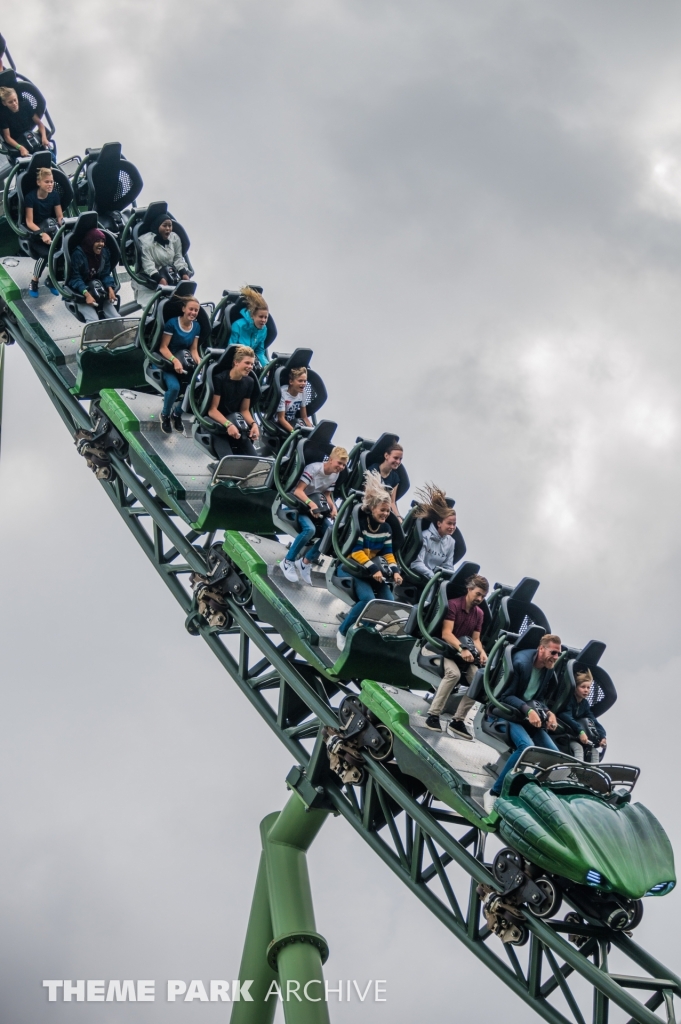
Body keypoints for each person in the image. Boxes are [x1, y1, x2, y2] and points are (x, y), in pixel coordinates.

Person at [485, 634, 563, 810]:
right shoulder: (521, 663)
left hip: (526, 716)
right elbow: (504, 696)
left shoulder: (548, 669)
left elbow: (539, 698)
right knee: (526, 747)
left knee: (553, 755)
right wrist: (527, 710)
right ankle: (494, 793)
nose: (556, 657)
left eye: (558, 654)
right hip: (506, 712)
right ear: (541, 649)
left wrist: (549, 714)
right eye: (553, 652)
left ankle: (527, 792)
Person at [336, 471, 403, 651]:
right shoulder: (363, 524)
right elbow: (356, 551)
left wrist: (395, 571)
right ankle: (342, 632)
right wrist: (374, 568)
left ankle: (363, 631)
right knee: (368, 600)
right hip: (353, 567)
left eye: (388, 511)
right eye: (382, 510)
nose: (385, 513)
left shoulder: (387, 528)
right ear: (373, 508)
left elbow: (388, 552)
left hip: (370, 572)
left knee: (387, 603)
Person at [423, 575, 489, 737]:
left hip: (459, 654)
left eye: (483, 596)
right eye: (478, 594)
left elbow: (475, 639)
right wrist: (462, 649)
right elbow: (446, 634)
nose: (480, 599)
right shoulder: (453, 605)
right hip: (439, 649)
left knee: (479, 681)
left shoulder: (479, 613)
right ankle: (433, 715)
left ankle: (458, 721)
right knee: (454, 673)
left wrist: (482, 652)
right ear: (469, 590)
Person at [280, 447, 349, 584]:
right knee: (310, 529)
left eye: (344, 465)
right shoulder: (314, 469)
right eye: (339, 463)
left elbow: (327, 495)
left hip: (313, 506)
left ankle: (305, 562)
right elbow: (298, 491)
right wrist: (311, 505)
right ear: (330, 460)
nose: (341, 467)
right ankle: (288, 561)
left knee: (330, 533)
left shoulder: (335, 474)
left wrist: (333, 507)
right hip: (297, 504)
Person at [157, 296, 201, 434]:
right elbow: (163, 347)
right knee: (174, 388)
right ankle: (165, 415)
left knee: (194, 388)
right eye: (191, 309)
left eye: (196, 310)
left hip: (185, 362)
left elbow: (194, 349)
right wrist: (174, 360)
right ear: (183, 309)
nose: (193, 313)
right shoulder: (172, 323)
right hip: (169, 362)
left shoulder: (196, 327)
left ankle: (177, 414)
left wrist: (200, 363)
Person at [208, 345, 260, 459]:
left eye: (252, 364)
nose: (250, 367)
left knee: (254, 459)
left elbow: (244, 410)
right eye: (247, 363)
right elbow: (212, 410)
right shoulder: (219, 379)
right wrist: (228, 425)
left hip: (235, 421)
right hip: (218, 422)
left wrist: (254, 424)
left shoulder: (249, 382)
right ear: (236, 362)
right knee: (228, 461)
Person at [134, 212, 191, 306]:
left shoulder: (174, 238)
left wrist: (184, 274)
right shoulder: (146, 242)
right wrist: (159, 279)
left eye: (170, 225)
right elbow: (147, 264)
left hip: (169, 276)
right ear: (157, 226)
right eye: (164, 226)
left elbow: (178, 258)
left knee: (183, 304)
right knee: (156, 306)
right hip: (148, 280)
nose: (168, 228)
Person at [24, 166, 63, 297]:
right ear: (39, 182)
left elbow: (59, 216)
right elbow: (29, 222)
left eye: (51, 182)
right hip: (35, 233)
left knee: (61, 251)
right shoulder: (31, 197)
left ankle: (51, 281)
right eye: (47, 182)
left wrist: (63, 225)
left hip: (50, 229)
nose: (50, 184)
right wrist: (41, 233)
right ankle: (34, 282)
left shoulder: (54, 195)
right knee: (46, 255)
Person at [67, 227, 121, 322]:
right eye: (97, 241)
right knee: (93, 320)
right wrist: (86, 294)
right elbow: (75, 278)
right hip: (80, 293)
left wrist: (110, 288)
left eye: (102, 241)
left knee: (116, 318)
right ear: (90, 242)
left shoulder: (104, 253)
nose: (101, 244)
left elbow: (105, 273)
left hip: (98, 290)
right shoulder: (78, 255)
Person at [558, 667, 607, 763]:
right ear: (575, 687)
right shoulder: (569, 700)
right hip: (566, 735)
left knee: (594, 751)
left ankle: (593, 774)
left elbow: (592, 719)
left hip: (578, 737)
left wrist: (602, 736)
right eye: (583, 687)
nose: (586, 690)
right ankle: (577, 773)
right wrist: (580, 731)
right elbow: (566, 716)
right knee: (578, 748)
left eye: (588, 688)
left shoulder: (584, 704)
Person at [411, 483, 459, 579]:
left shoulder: (451, 542)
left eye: (454, 524)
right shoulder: (425, 536)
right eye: (449, 523)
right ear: (439, 523)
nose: (452, 527)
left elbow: (448, 566)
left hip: (434, 579)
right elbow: (416, 563)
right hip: (421, 576)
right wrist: (432, 575)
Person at [0, 85, 50, 159]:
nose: (14, 103)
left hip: (31, 135)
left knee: (50, 155)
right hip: (17, 141)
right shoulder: (3, 115)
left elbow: (40, 124)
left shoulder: (25, 105)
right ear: (4, 103)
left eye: (15, 100)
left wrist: (44, 138)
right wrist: (20, 148)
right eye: (10, 102)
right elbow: (7, 137)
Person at [228, 287, 270, 366]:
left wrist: (267, 366)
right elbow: (231, 348)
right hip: (237, 361)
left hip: (250, 361)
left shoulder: (264, 329)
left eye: (266, 317)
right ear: (252, 315)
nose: (263, 320)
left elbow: (260, 351)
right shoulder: (238, 325)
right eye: (261, 317)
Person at [370, 442, 404, 520]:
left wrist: (398, 517)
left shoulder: (395, 478)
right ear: (386, 456)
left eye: (400, 459)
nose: (398, 462)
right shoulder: (374, 470)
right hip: (371, 507)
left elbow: (392, 502)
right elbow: (371, 495)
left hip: (383, 510)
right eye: (395, 458)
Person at [276, 366, 313, 433]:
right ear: (291, 382)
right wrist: (294, 432)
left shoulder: (303, 393)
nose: (303, 383)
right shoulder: (283, 393)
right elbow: (281, 418)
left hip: (292, 422)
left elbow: (304, 417)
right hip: (279, 423)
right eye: (300, 381)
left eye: (305, 381)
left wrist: (311, 431)